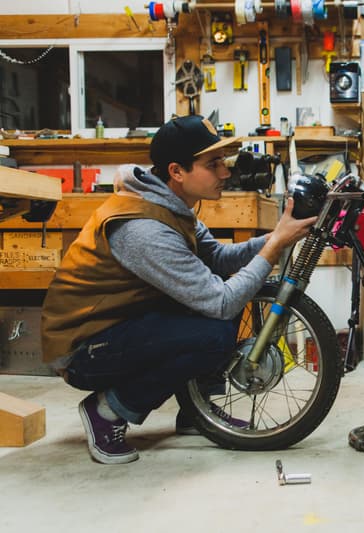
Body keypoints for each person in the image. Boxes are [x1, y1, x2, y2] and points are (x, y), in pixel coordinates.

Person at [41, 115, 317, 465]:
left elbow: (219, 258)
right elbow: (220, 303)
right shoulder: (143, 229)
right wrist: (274, 247)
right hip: (83, 348)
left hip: (121, 326)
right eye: (212, 164)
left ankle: (196, 413)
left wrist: (276, 234)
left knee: (223, 305)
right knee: (214, 329)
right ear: (177, 171)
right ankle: (107, 411)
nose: (225, 173)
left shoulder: (171, 207)